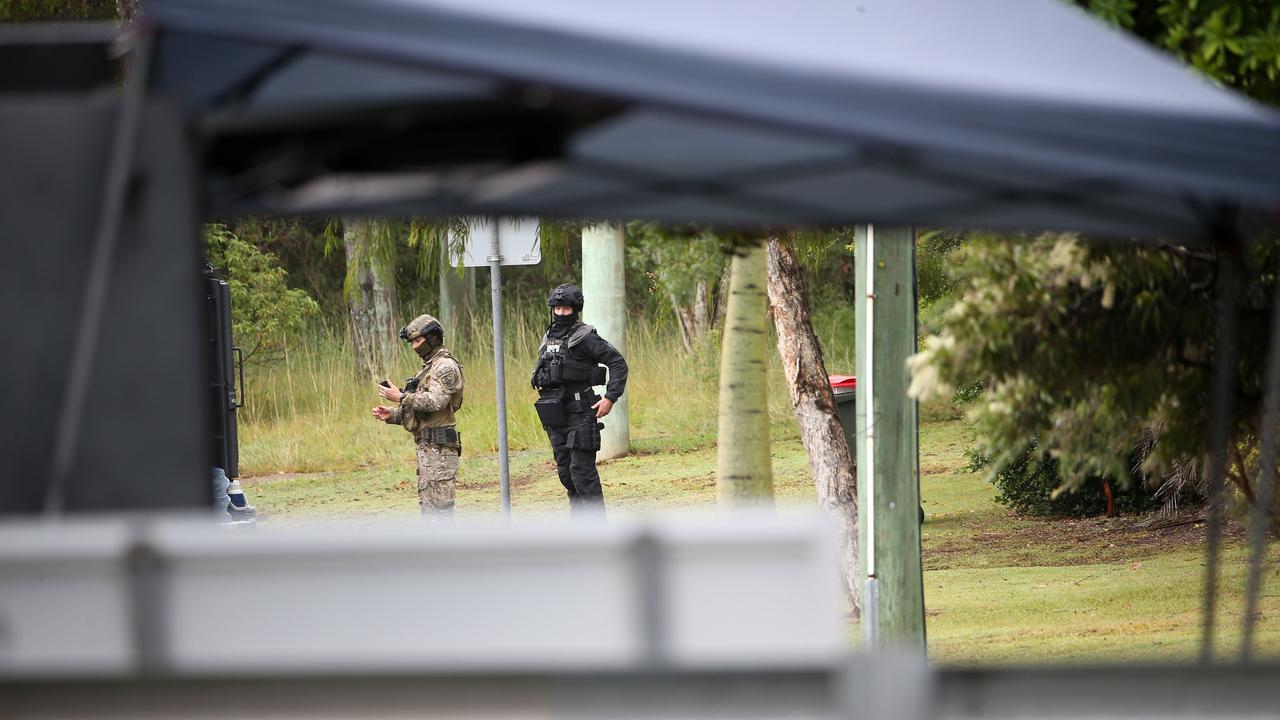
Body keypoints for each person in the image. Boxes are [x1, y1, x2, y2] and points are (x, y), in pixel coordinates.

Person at [531, 284, 628, 516]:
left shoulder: (585, 337)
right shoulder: (548, 338)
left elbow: (617, 363)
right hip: (556, 415)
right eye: (557, 308)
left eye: (566, 309)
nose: (561, 313)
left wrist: (610, 397)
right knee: (565, 472)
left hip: (582, 413)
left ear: (575, 309)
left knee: (581, 471)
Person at [372, 314, 464, 518]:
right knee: (429, 512)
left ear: (432, 338)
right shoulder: (429, 368)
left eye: (417, 340)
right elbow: (425, 413)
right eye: (412, 342)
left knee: (441, 514)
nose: (414, 346)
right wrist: (393, 415)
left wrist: (401, 397)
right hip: (428, 450)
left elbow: (436, 401)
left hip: (440, 451)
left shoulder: (445, 367)